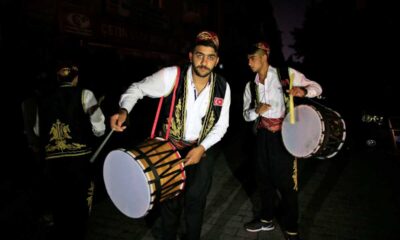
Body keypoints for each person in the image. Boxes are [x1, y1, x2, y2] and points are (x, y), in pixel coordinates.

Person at [110, 31, 231, 240]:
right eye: (199, 55)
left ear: (216, 60)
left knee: (196, 201)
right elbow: (137, 89)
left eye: (210, 57)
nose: (204, 62)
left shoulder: (223, 87)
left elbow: (221, 126)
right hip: (169, 148)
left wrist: (201, 148)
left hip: (201, 151)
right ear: (191, 56)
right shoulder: (171, 76)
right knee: (170, 203)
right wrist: (124, 110)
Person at [242, 41, 322, 240]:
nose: (249, 62)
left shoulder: (285, 74)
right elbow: (246, 115)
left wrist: (303, 91)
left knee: (287, 185)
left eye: (253, 58)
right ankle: (266, 220)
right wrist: (255, 111)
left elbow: (316, 87)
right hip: (262, 136)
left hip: (284, 137)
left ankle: (291, 228)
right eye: (248, 59)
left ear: (264, 57)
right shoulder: (250, 85)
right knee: (263, 180)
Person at [33, 60, 106, 240]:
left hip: (53, 164)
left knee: (60, 210)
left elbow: (37, 130)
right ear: (76, 77)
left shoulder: (43, 99)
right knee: (80, 211)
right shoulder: (85, 94)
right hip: (79, 162)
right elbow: (99, 128)